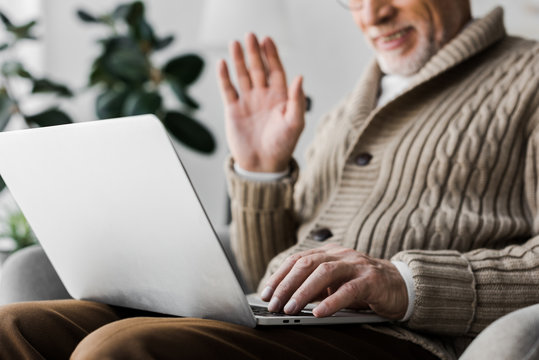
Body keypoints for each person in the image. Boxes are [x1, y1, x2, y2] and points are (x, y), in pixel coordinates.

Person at [0, 0, 537, 359]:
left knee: (120, 350)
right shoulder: (350, 109)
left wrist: (405, 282)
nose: (372, 14)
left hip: (400, 339)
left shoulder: (529, 77)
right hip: (288, 324)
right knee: (14, 329)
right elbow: (268, 270)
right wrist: (262, 171)